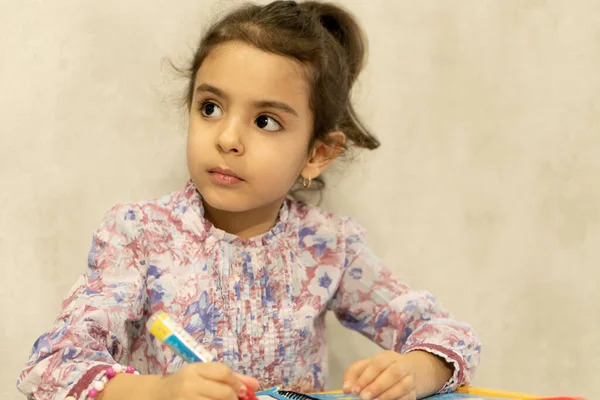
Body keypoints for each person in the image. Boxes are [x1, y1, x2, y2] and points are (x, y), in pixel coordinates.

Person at [17, 1, 481, 400]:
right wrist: (160, 391)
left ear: (317, 154)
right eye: (211, 108)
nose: (229, 138)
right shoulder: (139, 235)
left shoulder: (328, 246)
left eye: (265, 121)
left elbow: (449, 335)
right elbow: (53, 367)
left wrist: (415, 371)